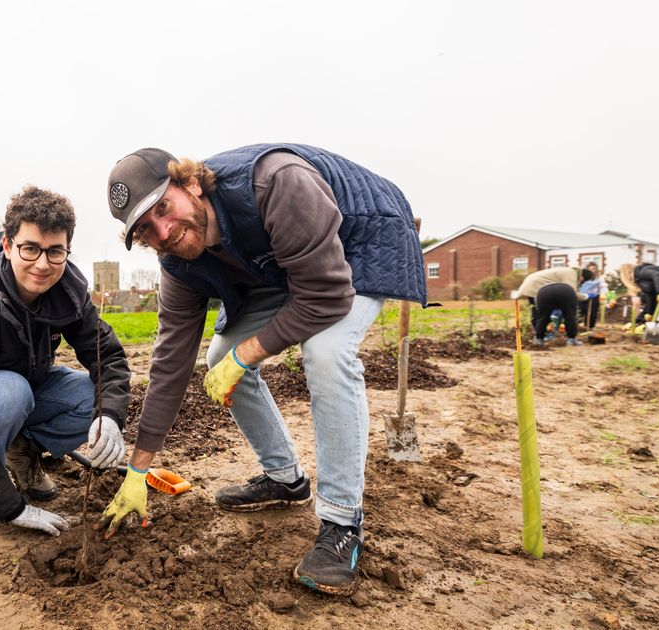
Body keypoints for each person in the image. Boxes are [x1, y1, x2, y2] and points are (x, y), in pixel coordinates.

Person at [97, 144, 425, 596]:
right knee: (217, 356)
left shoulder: (276, 183)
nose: (164, 231)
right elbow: (171, 360)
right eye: (146, 230)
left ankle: (342, 524)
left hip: (357, 244)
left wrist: (246, 355)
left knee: (326, 352)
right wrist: (138, 469)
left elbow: (326, 296)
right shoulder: (176, 261)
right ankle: (284, 479)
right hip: (278, 266)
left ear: (190, 183)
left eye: (163, 209)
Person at [0, 186, 131, 536]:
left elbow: (108, 357)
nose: (42, 264)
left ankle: (23, 452)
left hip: (31, 388)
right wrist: (11, 508)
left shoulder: (69, 295)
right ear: (8, 247)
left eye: (55, 252)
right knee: (11, 391)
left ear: (67, 251)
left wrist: (110, 417)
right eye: (30, 248)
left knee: (90, 400)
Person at [515, 267, 588, 346]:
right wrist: (585, 296)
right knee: (569, 315)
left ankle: (539, 338)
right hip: (537, 286)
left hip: (542, 290)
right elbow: (571, 290)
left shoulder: (562, 270)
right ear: (581, 276)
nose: (581, 282)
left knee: (542, 315)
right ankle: (571, 339)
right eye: (582, 281)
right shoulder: (571, 273)